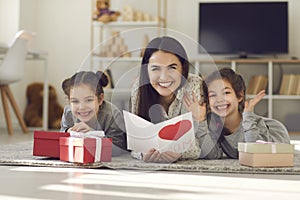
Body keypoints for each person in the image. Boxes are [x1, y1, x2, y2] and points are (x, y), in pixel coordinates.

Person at [184, 67, 290, 159]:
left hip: (275, 136)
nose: (219, 99)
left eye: (226, 92)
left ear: (239, 96)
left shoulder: (254, 123)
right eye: (213, 95)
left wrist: (248, 116)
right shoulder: (213, 124)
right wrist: (201, 120)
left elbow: (256, 151)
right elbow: (212, 155)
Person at [130, 36, 204, 163]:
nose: (163, 77)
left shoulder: (194, 85)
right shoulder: (139, 87)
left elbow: (202, 143)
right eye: (155, 69)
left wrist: (178, 153)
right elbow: (136, 143)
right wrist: (144, 154)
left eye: (172, 68)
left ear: (183, 68)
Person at [60, 70, 127, 154]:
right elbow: (60, 140)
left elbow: (119, 148)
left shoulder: (112, 115)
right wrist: (68, 133)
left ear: (100, 99)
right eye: (75, 101)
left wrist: (93, 135)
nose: (82, 107)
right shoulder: (68, 113)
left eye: (89, 100)